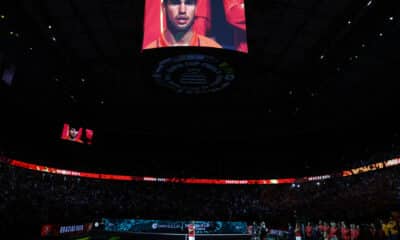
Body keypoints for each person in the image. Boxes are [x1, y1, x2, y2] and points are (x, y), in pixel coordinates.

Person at [145, 0, 221, 49]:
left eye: (188, 3)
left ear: (196, 8)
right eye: (175, 3)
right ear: (164, 8)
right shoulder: (148, 53)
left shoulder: (213, 48)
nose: (182, 10)